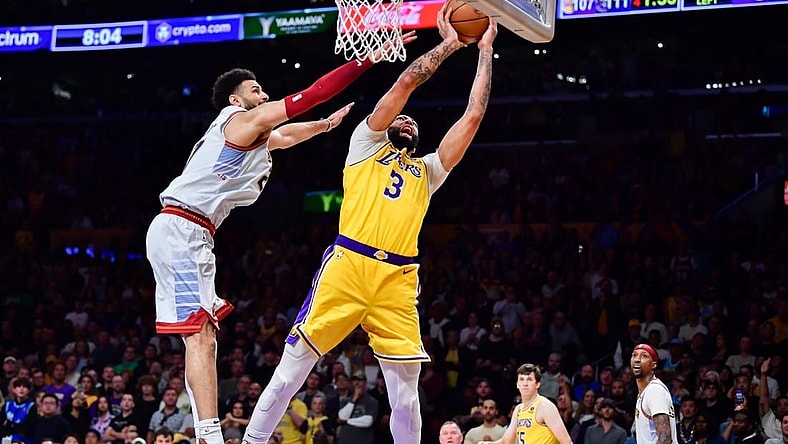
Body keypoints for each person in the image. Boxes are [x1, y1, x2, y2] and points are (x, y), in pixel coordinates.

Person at [242, 5, 497, 444]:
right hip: (349, 264)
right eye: (401, 117)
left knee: (407, 397)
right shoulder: (364, 145)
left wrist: (485, 52)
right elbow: (405, 83)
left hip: (398, 278)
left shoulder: (429, 171)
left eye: (413, 121)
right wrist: (452, 44)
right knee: (292, 370)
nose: (406, 119)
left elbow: (473, 115)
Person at [145, 33, 412, 444]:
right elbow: (309, 95)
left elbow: (287, 135)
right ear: (236, 101)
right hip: (181, 227)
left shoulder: (254, 137)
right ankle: (209, 435)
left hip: (192, 231)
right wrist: (367, 61)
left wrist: (325, 126)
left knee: (202, 337)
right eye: (256, 90)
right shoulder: (240, 121)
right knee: (200, 335)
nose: (263, 94)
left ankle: (206, 431)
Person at [479, 363, 572, 444]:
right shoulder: (518, 410)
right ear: (517, 384)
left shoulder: (545, 406)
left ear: (537, 384)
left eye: (529, 379)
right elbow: (506, 441)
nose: (525, 383)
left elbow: (567, 442)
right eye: (522, 379)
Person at [631, 344, 678, 444]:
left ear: (654, 364)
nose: (637, 359)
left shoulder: (654, 390)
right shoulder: (645, 392)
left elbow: (665, 438)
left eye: (644, 356)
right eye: (634, 355)